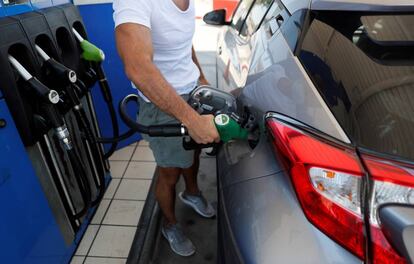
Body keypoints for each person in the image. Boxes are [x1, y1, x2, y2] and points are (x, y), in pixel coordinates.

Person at [113, 0, 220, 257]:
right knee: (169, 173)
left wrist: (200, 76)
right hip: (162, 105)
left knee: (193, 154)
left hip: (190, 92)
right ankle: (169, 224)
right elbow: (138, 67)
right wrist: (192, 121)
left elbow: (183, 42)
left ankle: (192, 193)